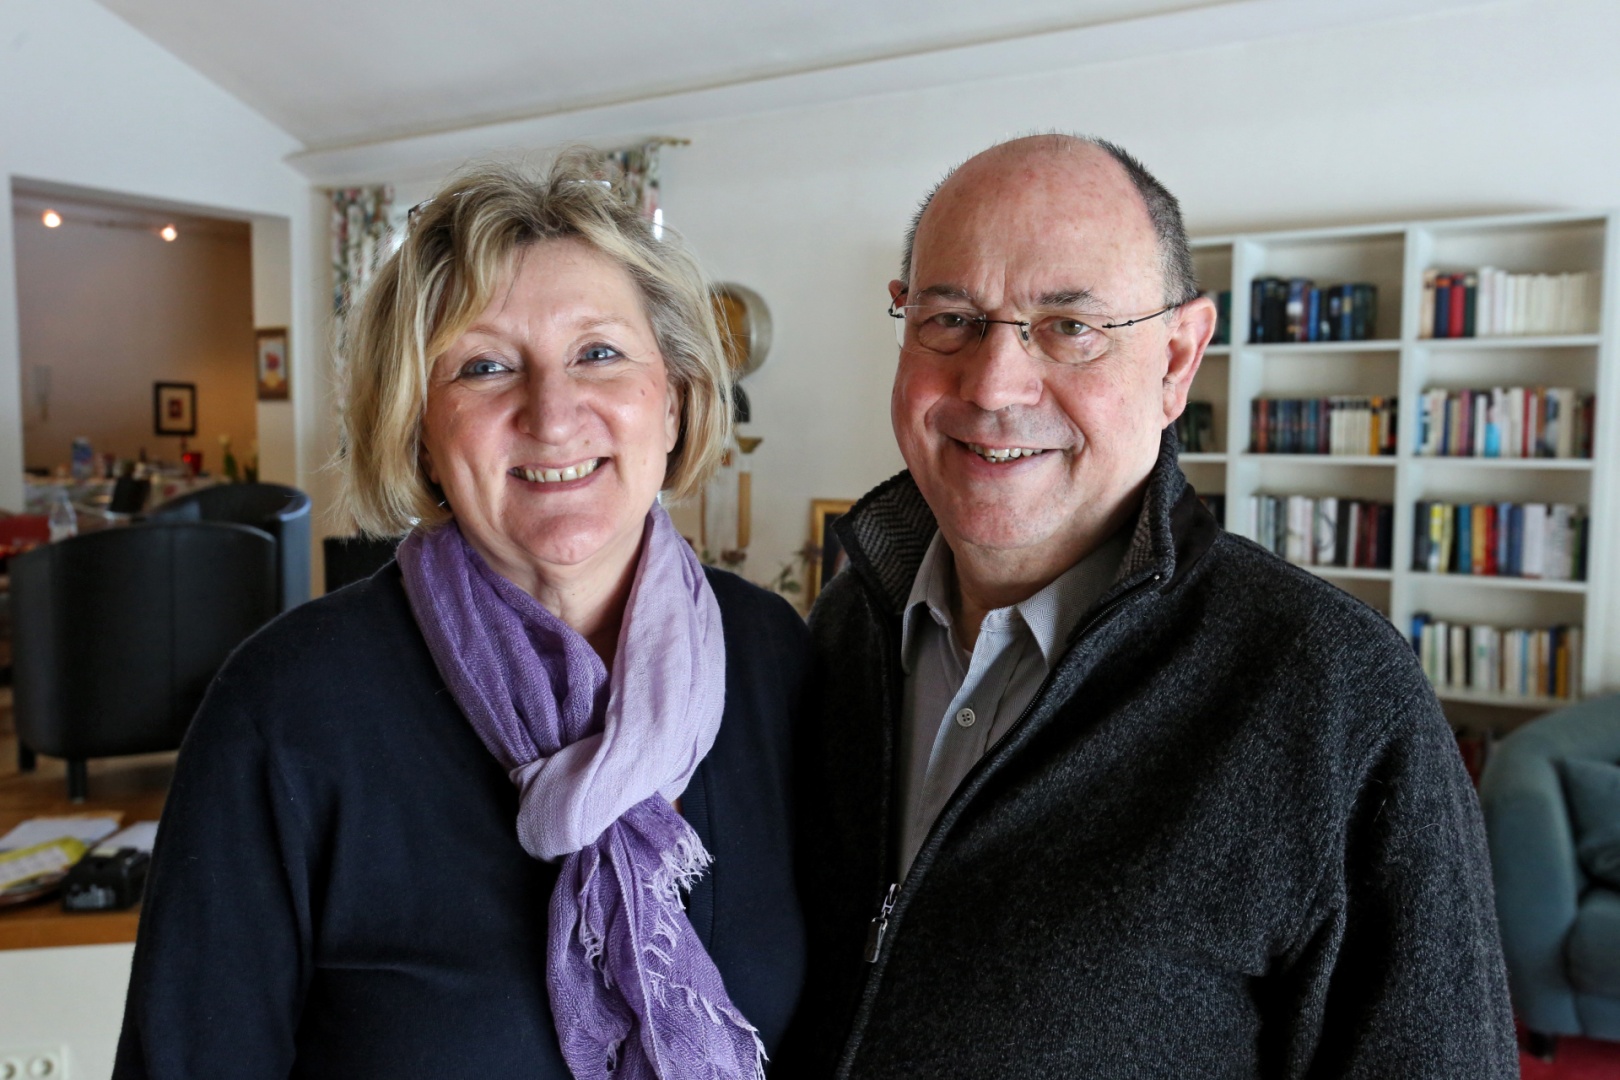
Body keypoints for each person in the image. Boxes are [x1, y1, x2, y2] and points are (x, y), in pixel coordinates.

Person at [783, 135, 1516, 1077]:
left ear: (1177, 358)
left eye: (1069, 326)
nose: (993, 384)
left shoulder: (1331, 693)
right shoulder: (842, 632)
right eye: (950, 317)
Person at [115, 154, 808, 1079]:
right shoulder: (284, 710)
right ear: (420, 434)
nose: (553, 416)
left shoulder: (773, 655)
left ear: (674, 400)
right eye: (484, 366)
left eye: (599, 353)